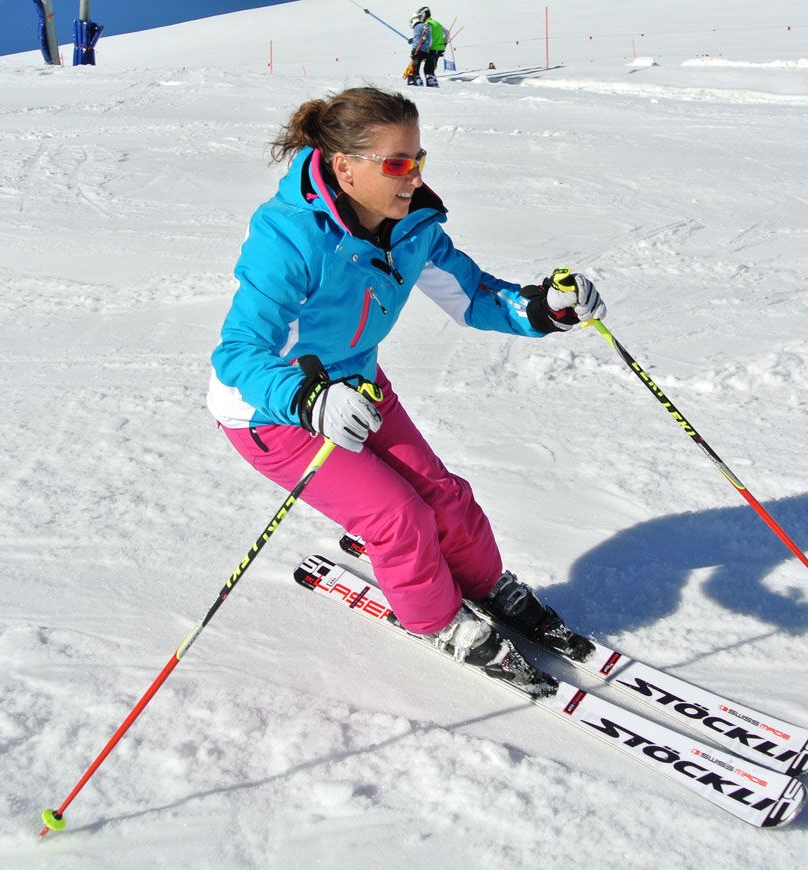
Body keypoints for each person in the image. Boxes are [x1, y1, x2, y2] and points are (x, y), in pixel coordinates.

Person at [207, 87, 607, 695]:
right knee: (397, 515)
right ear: (345, 167)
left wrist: (545, 309)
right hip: (273, 409)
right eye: (396, 163)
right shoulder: (287, 236)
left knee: (443, 495)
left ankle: (485, 584)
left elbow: (472, 296)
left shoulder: (413, 225)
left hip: (359, 386)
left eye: (418, 159)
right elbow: (240, 352)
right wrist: (308, 400)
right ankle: (439, 620)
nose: (413, 176)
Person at [405, 8, 431, 87]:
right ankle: (418, 81)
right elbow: (423, 38)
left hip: (418, 51)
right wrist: (413, 40)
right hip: (426, 50)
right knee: (418, 67)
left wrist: (414, 48)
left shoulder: (417, 27)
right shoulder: (425, 26)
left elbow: (417, 38)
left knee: (414, 69)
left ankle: (416, 82)